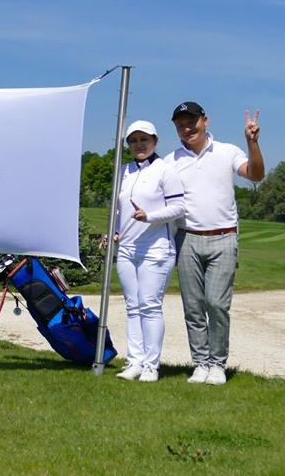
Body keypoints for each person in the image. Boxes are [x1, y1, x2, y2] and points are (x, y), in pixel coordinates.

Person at [165, 101, 264, 385]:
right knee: (193, 307)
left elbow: (256, 175)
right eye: (180, 125)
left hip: (223, 237)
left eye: (191, 122)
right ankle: (200, 364)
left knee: (217, 304)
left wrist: (252, 142)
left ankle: (217, 364)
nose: (187, 129)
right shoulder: (170, 162)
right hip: (187, 239)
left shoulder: (227, 151)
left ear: (205, 121)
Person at [113, 121, 185, 383]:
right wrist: (116, 232)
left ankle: (151, 366)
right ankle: (134, 361)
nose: (139, 144)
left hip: (156, 248)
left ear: (155, 141)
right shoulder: (123, 171)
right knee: (133, 307)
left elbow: (178, 208)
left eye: (144, 139)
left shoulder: (165, 170)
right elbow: (119, 210)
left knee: (150, 307)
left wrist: (150, 217)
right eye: (133, 140)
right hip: (127, 248)